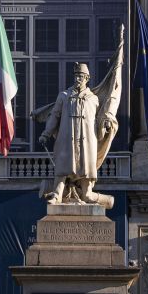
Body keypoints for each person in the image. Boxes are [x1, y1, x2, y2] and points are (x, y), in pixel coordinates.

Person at [39, 62, 116, 204]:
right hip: (67, 138)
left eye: (80, 76)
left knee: (86, 166)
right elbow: (54, 115)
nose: (77, 79)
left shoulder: (93, 99)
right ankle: (57, 193)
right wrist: (46, 133)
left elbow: (99, 120)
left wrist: (106, 125)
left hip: (87, 141)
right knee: (63, 165)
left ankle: (88, 194)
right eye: (76, 76)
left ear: (87, 78)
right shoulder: (63, 96)